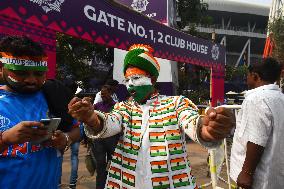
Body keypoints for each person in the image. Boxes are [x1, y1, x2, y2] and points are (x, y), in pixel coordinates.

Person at [68, 44, 235, 189]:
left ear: (153, 79)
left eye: (136, 78)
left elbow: (192, 123)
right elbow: (108, 124)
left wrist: (208, 129)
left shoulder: (176, 104)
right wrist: (90, 118)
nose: (131, 84)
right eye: (127, 80)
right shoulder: (123, 107)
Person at [0, 35, 82, 189]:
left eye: (38, 73)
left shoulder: (54, 95)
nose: (31, 80)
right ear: (1, 68)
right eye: (21, 73)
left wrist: (65, 138)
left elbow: (77, 130)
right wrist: (5, 140)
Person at [230, 57, 284, 189]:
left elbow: (256, 139)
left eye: (247, 75)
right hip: (275, 175)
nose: (246, 79)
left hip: (258, 181)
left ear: (255, 76)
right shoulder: (280, 98)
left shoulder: (256, 99)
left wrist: (246, 173)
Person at [92, 84, 120, 189]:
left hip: (112, 140)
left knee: (115, 164)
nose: (103, 96)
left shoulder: (117, 106)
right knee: (100, 166)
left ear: (111, 94)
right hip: (99, 140)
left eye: (105, 94)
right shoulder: (97, 106)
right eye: (101, 94)